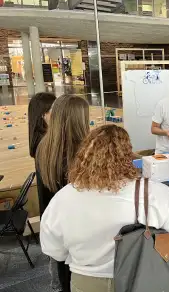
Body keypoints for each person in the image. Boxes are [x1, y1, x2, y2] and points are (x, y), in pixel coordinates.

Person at [40, 125, 169, 292]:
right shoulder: (154, 192)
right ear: (127, 154)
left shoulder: (64, 196)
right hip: (142, 278)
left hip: (86, 281)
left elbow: (54, 250)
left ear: (84, 154)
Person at [36, 94, 90, 292]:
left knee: (64, 274)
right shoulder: (82, 151)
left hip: (56, 227)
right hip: (80, 230)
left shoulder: (45, 146)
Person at [27, 92, 58, 291]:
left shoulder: (44, 138)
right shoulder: (45, 142)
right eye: (54, 110)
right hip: (52, 203)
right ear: (43, 114)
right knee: (56, 255)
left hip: (51, 202)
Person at [28, 92, 56, 158]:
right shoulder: (46, 143)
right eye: (55, 109)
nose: (59, 112)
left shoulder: (39, 138)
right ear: (43, 114)